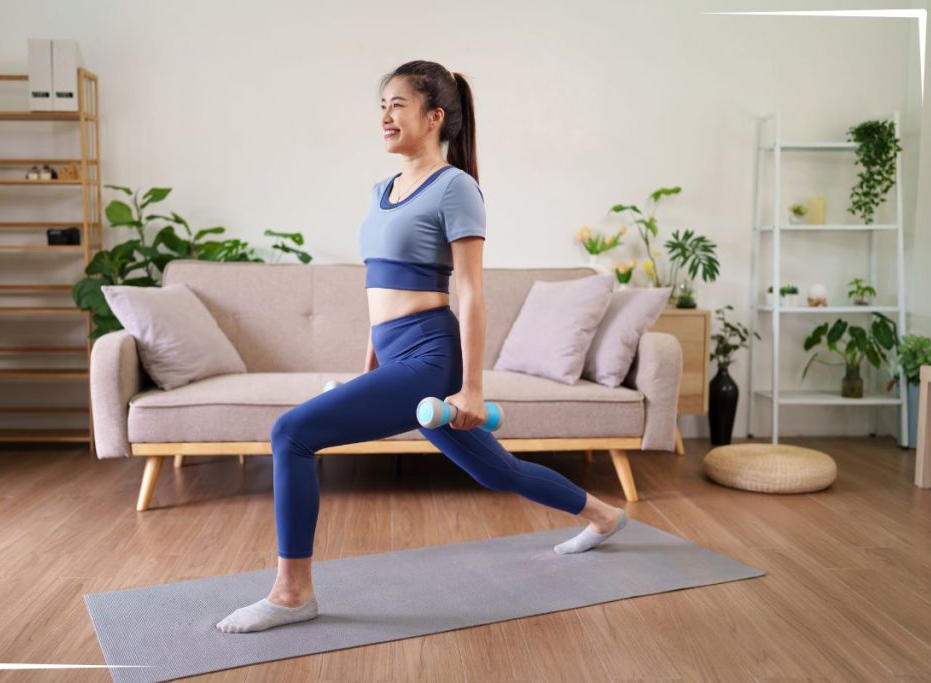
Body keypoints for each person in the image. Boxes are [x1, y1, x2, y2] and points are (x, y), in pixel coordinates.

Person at [216, 60, 628, 634]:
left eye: (398, 104)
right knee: (497, 471)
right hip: (395, 355)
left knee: (290, 433)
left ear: (434, 116)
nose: (385, 115)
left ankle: (292, 593)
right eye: (381, 105)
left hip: (431, 358)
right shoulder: (380, 189)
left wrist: (472, 388)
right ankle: (602, 514)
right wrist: (369, 366)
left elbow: (472, 294)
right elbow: (378, 286)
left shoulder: (456, 187)